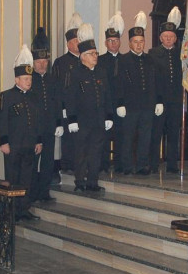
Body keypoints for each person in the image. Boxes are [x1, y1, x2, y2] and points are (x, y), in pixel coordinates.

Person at [64, 23, 112, 191]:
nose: (95, 56)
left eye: (96, 53)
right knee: (81, 153)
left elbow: (107, 96)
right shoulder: (75, 74)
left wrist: (109, 116)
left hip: (98, 120)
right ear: (83, 56)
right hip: (82, 121)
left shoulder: (101, 72)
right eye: (91, 54)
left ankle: (93, 181)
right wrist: (72, 120)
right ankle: (80, 182)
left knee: (95, 152)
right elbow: (70, 98)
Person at [0, 44, 42, 220]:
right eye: (24, 79)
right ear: (17, 80)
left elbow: (37, 121)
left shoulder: (34, 96)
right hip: (13, 146)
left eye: (29, 79)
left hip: (29, 146)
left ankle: (24, 209)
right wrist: (3, 142)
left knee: (27, 179)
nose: (28, 82)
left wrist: (38, 141)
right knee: (13, 179)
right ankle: (13, 211)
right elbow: (2, 120)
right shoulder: (6, 96)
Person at [116, 12, 156, 175]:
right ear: (130, 43)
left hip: (147, 106)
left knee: (145, 138)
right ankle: (126, 166)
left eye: (141, 42)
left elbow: (154, 82)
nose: (139, 45)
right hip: (130, 106)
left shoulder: (150, 59)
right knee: (128, 137)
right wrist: (120, 103)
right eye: (135, 42)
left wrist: (157, 101)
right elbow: (119, 84)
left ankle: (141, 165)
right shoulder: (123, 60)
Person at [148, 6, 183, 174]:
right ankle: (153, 164)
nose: (168, 39)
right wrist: (157, 100)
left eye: (171, 36)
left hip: (176, 100)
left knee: (174, 134)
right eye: (165, 36)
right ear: (161, 38)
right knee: (156, 134)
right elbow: (152, 79)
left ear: (175, 38)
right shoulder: (153, 53)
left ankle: (172, 164)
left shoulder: (181, 55)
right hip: (159, 101)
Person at [29, 28, 59, 202]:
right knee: (34, 162)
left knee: (48, 161)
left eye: (44, 61)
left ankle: (44, 191)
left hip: (49, 127)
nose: (42, 64)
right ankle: (32, 192)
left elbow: (57, 102)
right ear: (33, 62)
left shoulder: (52, 79)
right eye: (39, 61)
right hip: (34, 129)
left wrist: (59, 123)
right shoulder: (29, 80)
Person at [52, 12, 83, 173]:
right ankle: (67, 165)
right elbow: (57, 88)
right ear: (68, 44)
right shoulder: (60, 62)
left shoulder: (85, 60)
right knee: (69, 140)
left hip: (82, 107)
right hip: (66, 108)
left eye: (79, 40)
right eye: (74, 41)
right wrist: (62, 108)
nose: (78, 44)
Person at [97, 12, 125, 172]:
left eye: (116, 41)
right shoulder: (100, 61)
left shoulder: (126, 60)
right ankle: (104, 165)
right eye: (110, 41)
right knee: (104, 137)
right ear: (106, 43)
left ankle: (120, 165)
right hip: (104, 105)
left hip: (122, 105)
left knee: (122, 135)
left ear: (120, 42)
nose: (113, 44)